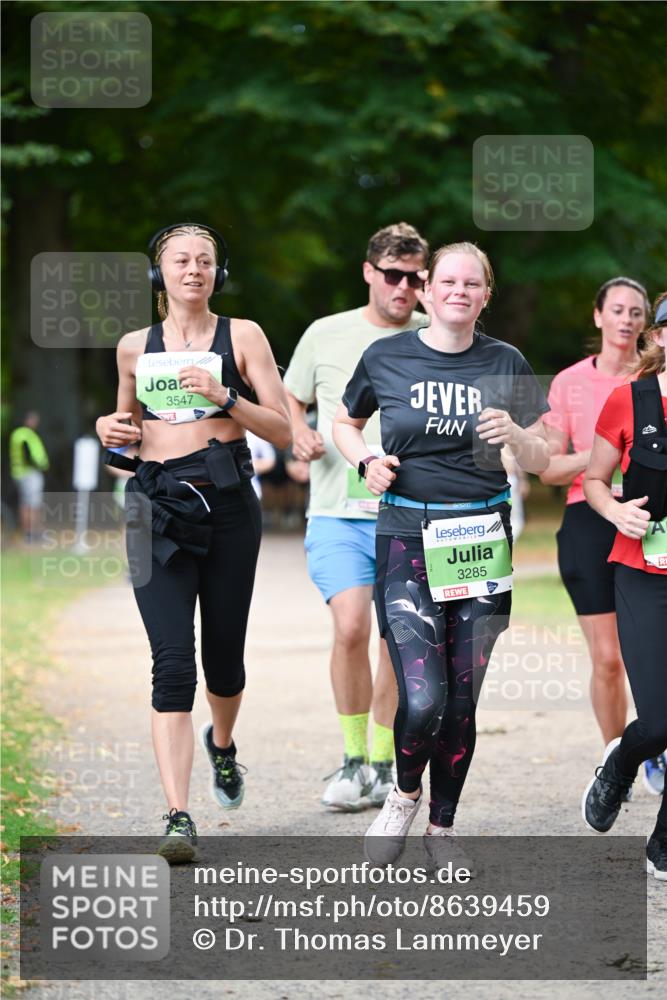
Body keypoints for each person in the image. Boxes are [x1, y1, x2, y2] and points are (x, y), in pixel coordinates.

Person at [333, 241, 550, 864]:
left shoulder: (505, 360)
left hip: (481, 538)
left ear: (486, 295)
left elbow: (544, 451)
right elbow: (345, 424)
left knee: (461, 699)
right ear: (426, 291)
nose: (459, 291)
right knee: (422, 697)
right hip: (406, 536)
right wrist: (367, 460)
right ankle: (402, 797)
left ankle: (442, 829)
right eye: (447, 281)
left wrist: (516, 436)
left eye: (472, 283)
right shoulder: (385, 356)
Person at [95, 223, 290, 862]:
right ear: (160, 274)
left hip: (230, 505)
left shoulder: (245, 336)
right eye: (180, 260)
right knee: (173, 664)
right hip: (155, 507)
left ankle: (224, 746)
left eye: (205, 260)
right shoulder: (133, 347)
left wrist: (226, 396)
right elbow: (124, 434)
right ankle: (178, 816)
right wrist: (109, 429)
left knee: (224, 662)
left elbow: (285, 431)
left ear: (217, 273)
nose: (193, 269)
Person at [284, 222, 430, 811]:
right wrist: (299, 432)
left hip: (409, 511)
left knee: (398, 638)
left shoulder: (438, 333)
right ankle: (350, 757)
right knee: (351, 626)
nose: (403, 287)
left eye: (415, 277)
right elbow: (293, 395)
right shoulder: (326, 333)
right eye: (392, 275)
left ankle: (376, 760)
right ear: (369, 272)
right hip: (339, 511)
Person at [541, 278, 665, 795]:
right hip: (603, 522)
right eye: (617, 310)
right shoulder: (581, 385)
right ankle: (620, 757)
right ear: (598, 316)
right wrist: (610, 465)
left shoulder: (646, 380)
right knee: (610, 658)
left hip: (647, 510)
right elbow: (554, 470)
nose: (627, 319)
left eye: (635, 311)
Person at [581, 292, 667, 881]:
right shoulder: (628, 401)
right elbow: (592, 480)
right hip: (643, 573)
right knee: (660, 721)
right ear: (659, 337)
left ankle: (663, 841)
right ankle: (622, 762)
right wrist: (616, 513)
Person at [9, 411, 49, 542]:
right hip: (29, 473)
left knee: (25, 503)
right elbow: (28, 454)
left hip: (19, 473)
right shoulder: (26, 435)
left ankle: (28, 533)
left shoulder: (16, 434)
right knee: (33, 504)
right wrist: (39, 465)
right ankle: (33, 532)